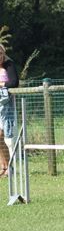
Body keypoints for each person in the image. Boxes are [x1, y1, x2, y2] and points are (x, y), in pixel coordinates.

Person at [0, 44, 19, 178]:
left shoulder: (8, 64)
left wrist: (1, 84)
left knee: (6, 137)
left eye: (1, 54)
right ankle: (4, 166)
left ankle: (9, 167)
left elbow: (14, 82)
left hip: (6, 105)